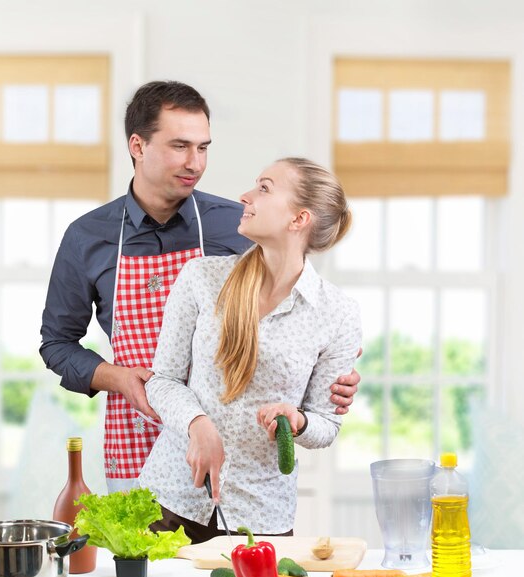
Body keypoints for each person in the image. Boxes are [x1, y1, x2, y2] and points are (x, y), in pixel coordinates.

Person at [40, 81, 361, 493]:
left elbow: (298, 311)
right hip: (137, 429)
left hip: (231, 448)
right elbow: (56, 343)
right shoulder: (88, 237)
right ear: (137, 146)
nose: (195, 162)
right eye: (179, 146)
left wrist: (332, 372)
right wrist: (117, 378)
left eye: (203, 147)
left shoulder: (237, 224)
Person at [139, 157, 362, 543]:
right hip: (170, 500)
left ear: (298, 219)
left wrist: (299, 422)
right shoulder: (201, 277)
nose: (245, 196)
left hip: (260, 518)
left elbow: (327, 424)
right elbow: (163, 381)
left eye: (264, 188)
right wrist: (198, 423)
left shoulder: (338, 313)